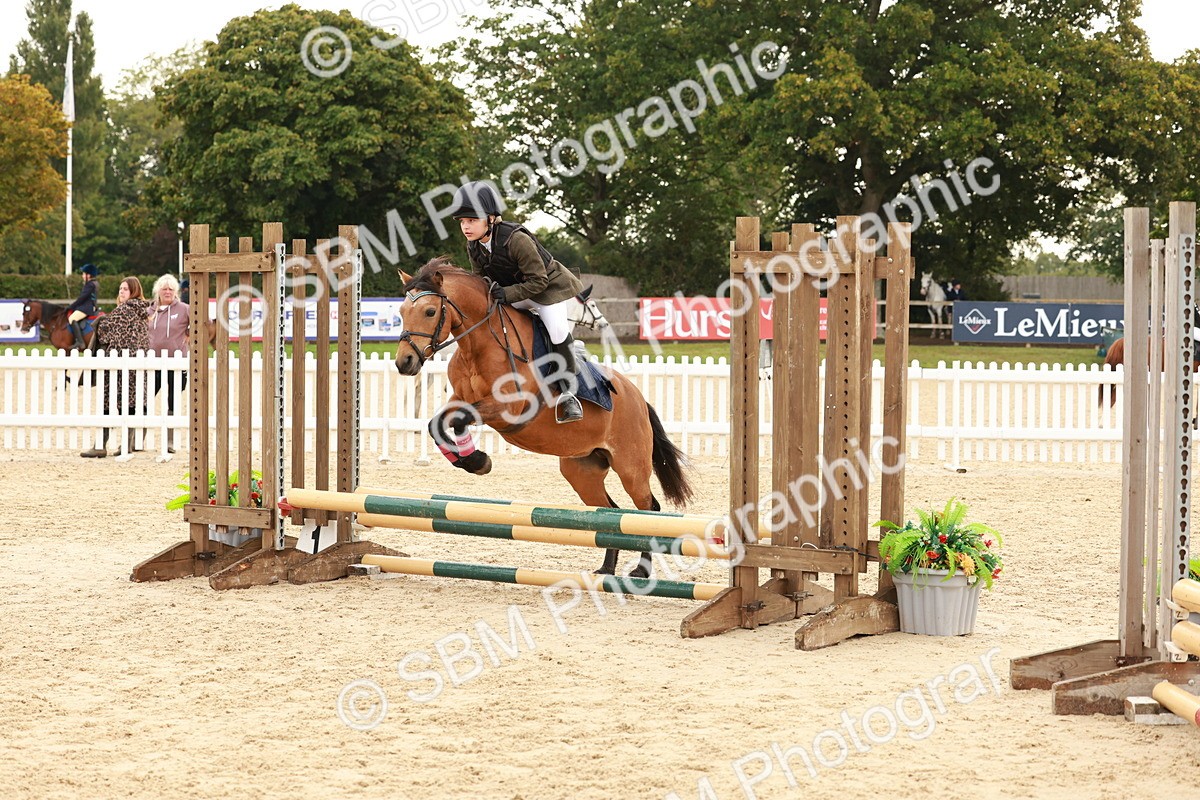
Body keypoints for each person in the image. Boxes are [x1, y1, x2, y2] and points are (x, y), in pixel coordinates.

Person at [448, 181, 587, 423]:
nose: (466, 226)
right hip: (514, 292)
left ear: (490, 218)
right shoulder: (474, 246)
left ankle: (568, 393)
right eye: (462, 221)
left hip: (546, 291)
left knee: (556, 331)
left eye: (472, 220)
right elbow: (482, 280)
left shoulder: (516, 239)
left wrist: (506, 294)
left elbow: (538, 281)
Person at [81, 277, 153, 458]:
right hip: (136, 364)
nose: (121, 292)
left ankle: (101, 444)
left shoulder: (124, 310)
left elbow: (106, 332)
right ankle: (127, 443)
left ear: (134, 292)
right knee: (130, 404)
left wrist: (101, 321)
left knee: (109, 404)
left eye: (126, 289)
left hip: (118, 364)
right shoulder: (143, 311)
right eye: (120, 289)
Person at [148, 274, 190, 454]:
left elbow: (203, 325)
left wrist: (190, 336)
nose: (167, 292)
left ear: (176, 292)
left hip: (176, 363)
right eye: (164, 289)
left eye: (171, 289)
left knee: (172, 402)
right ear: (158, 290)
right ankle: (137, 439)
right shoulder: (149, 311)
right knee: (144, 401)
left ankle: (170, 441)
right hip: (152, 363)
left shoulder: (185, 309)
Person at [66, 263, 100, 349]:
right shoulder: (95, 283)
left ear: (89, 275)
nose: (82, 276)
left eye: (83, 274)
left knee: (72, 319)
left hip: (86, 308)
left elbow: (82, 298)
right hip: (90, 306)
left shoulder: (89, 285)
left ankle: (80, 342)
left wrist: (71, 307)